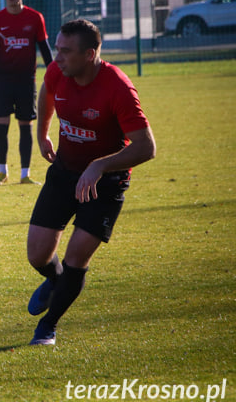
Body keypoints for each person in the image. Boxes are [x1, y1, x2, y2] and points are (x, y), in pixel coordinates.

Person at [25, 19, 156, 346]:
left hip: (106, 184)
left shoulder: (118, 88)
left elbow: (146, 147)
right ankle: (55, 282)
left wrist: (100, 166)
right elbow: (46, 92)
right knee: (37, 255)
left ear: (90, 54)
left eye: (65, 51)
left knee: (76, 256)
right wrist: (41, 134)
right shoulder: (59, 71)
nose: (57, 57)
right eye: (57, 48)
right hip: (65, 171)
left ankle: (48, 326)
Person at [0, 0, 53, 186]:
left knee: (26, 125)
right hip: (3, 80)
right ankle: (2, 172)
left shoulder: (35, 18)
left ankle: (25, 174)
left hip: (26, 81)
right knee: (1, 125)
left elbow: (45, 50)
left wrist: (54, 77)